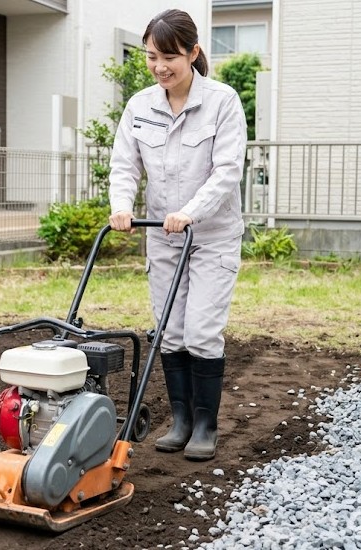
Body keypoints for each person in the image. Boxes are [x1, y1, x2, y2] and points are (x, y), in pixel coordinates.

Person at [108, 8, 247, 461]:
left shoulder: (222, 101)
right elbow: (125, 165)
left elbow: (227, 172)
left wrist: (189, 212)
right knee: (169, 331)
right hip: (163, 236)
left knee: (202, 331)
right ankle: (181, 419)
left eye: (168, 56)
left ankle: (205, 425)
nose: (159, 66)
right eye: (151, 57)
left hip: (212, 235)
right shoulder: (140, 106)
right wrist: (122, 207)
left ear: (193, 53)